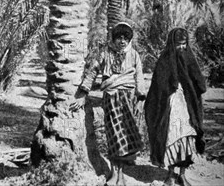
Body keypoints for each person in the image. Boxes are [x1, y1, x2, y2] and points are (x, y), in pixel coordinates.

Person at [70, 22, 146, 186]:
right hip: (111, 99)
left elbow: (139, 77)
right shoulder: (104, 53)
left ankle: (121, 174)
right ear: (114, 38)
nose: (122, 41)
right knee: (114, 136)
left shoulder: (133, 55)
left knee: (126, 137)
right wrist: (83, 94)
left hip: (129, 98)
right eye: (119, 37)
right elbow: (92, 72)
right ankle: (114, 173)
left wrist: (140, 100)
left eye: (125, 38)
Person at [145, 28, 206, 186]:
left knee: (187, 137)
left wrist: (193, 88)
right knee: (171, 137)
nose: (181, 47)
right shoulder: (165, 60)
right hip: (170, 104)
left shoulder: (189, 58)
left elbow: (199, 82)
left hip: (186, 106)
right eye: (178, 44)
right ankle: (171, 174)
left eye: (184, 44)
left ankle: (183, 174)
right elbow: (158, 85)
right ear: (172, 44)